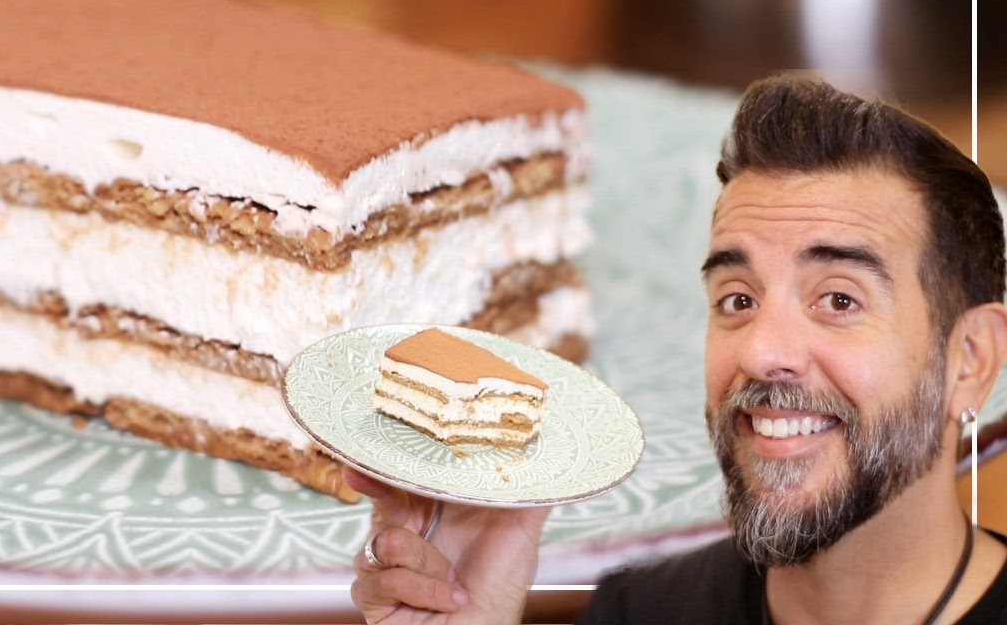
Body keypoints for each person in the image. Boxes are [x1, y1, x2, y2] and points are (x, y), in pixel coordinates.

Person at [347, 74, 1007, 624]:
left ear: (971, 360)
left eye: (838, 300)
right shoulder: (635, 611)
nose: (760, 352)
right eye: (738, 300)